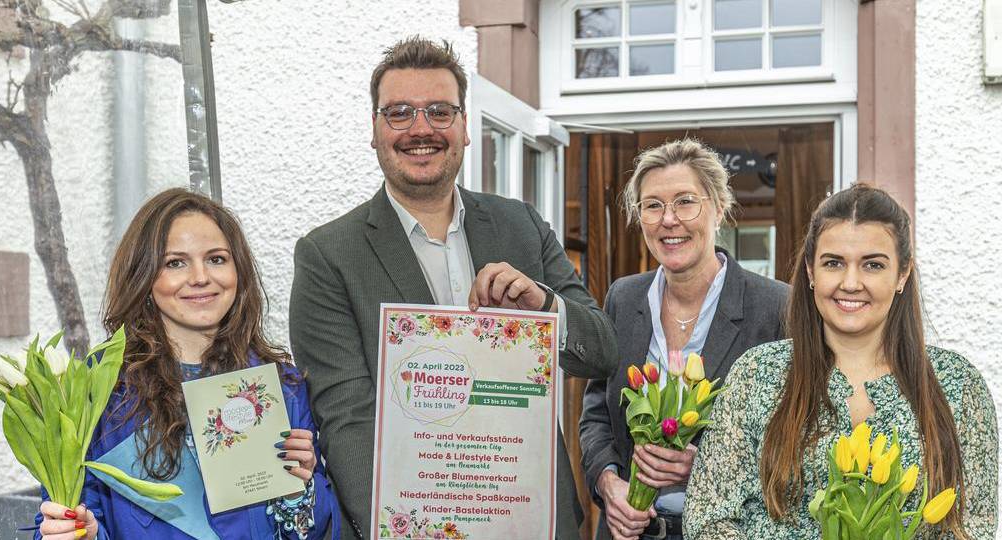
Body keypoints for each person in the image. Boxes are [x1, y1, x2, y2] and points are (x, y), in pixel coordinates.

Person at [290, 36, 617, 540]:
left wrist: (546, 308)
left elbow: (602, 351)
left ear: (465, 128)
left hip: (534, 521)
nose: (421, 129)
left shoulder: (522, 226)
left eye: (440, 112)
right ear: (374, 130)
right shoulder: (329, 255)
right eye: (399, 113)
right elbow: (345, 420)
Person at [682, 184, 998, 538]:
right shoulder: (756, 374)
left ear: (903, 274)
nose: (851, 282)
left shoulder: (957, 384)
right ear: (811, 271)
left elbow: (973, 527)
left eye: (873, 265)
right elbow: (708, 519)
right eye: (834, 263)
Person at [36, 188, 340, 539]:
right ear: (145, 277)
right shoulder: (95, 392)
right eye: (175, 262)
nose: (200, 276)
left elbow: (305, 532)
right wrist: (80, 532)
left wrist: (297, 491)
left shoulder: (280, 387)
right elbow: (68, 517)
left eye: (216, 259)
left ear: (238, 271)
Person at [578, 139, 788, 540]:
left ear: (719, 208)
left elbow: (796, 440)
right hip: (628, 530)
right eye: (653, 205)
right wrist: (609, 484)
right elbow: (596, 414)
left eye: (685, 202)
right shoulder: (624, 297)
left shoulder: (776, 306)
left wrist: (709, 466)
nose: (668, 220)